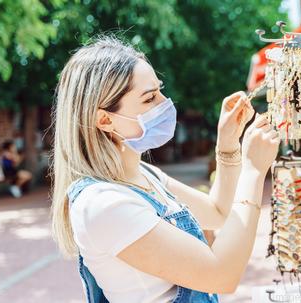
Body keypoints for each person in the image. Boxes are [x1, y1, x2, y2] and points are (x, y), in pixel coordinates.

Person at [50, 36, 280, 303]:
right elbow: (221, 275)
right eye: (149, 99)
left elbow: (218, 213)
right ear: (104, 119)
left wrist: (227, 146)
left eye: (159, 90)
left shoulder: (143, 174)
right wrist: (253, 171)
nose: (165, 102)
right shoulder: (103, 204)